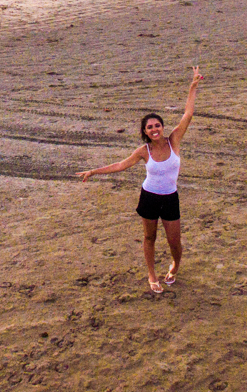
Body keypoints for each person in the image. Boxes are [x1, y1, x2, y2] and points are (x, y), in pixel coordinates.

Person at [77, 66, 204, 293]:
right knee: (150, 237)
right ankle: (152, 275)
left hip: (170, 198)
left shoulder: (174, 140)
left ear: (162, 127)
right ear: (145, 132)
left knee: (175, 242)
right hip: (149, 197)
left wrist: (192, 87)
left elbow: (188, 115)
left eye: (157, 125)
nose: (154, 129)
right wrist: (94, 171)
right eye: (150, 127)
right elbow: (120, 165)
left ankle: (175, 265)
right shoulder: (143, 150)